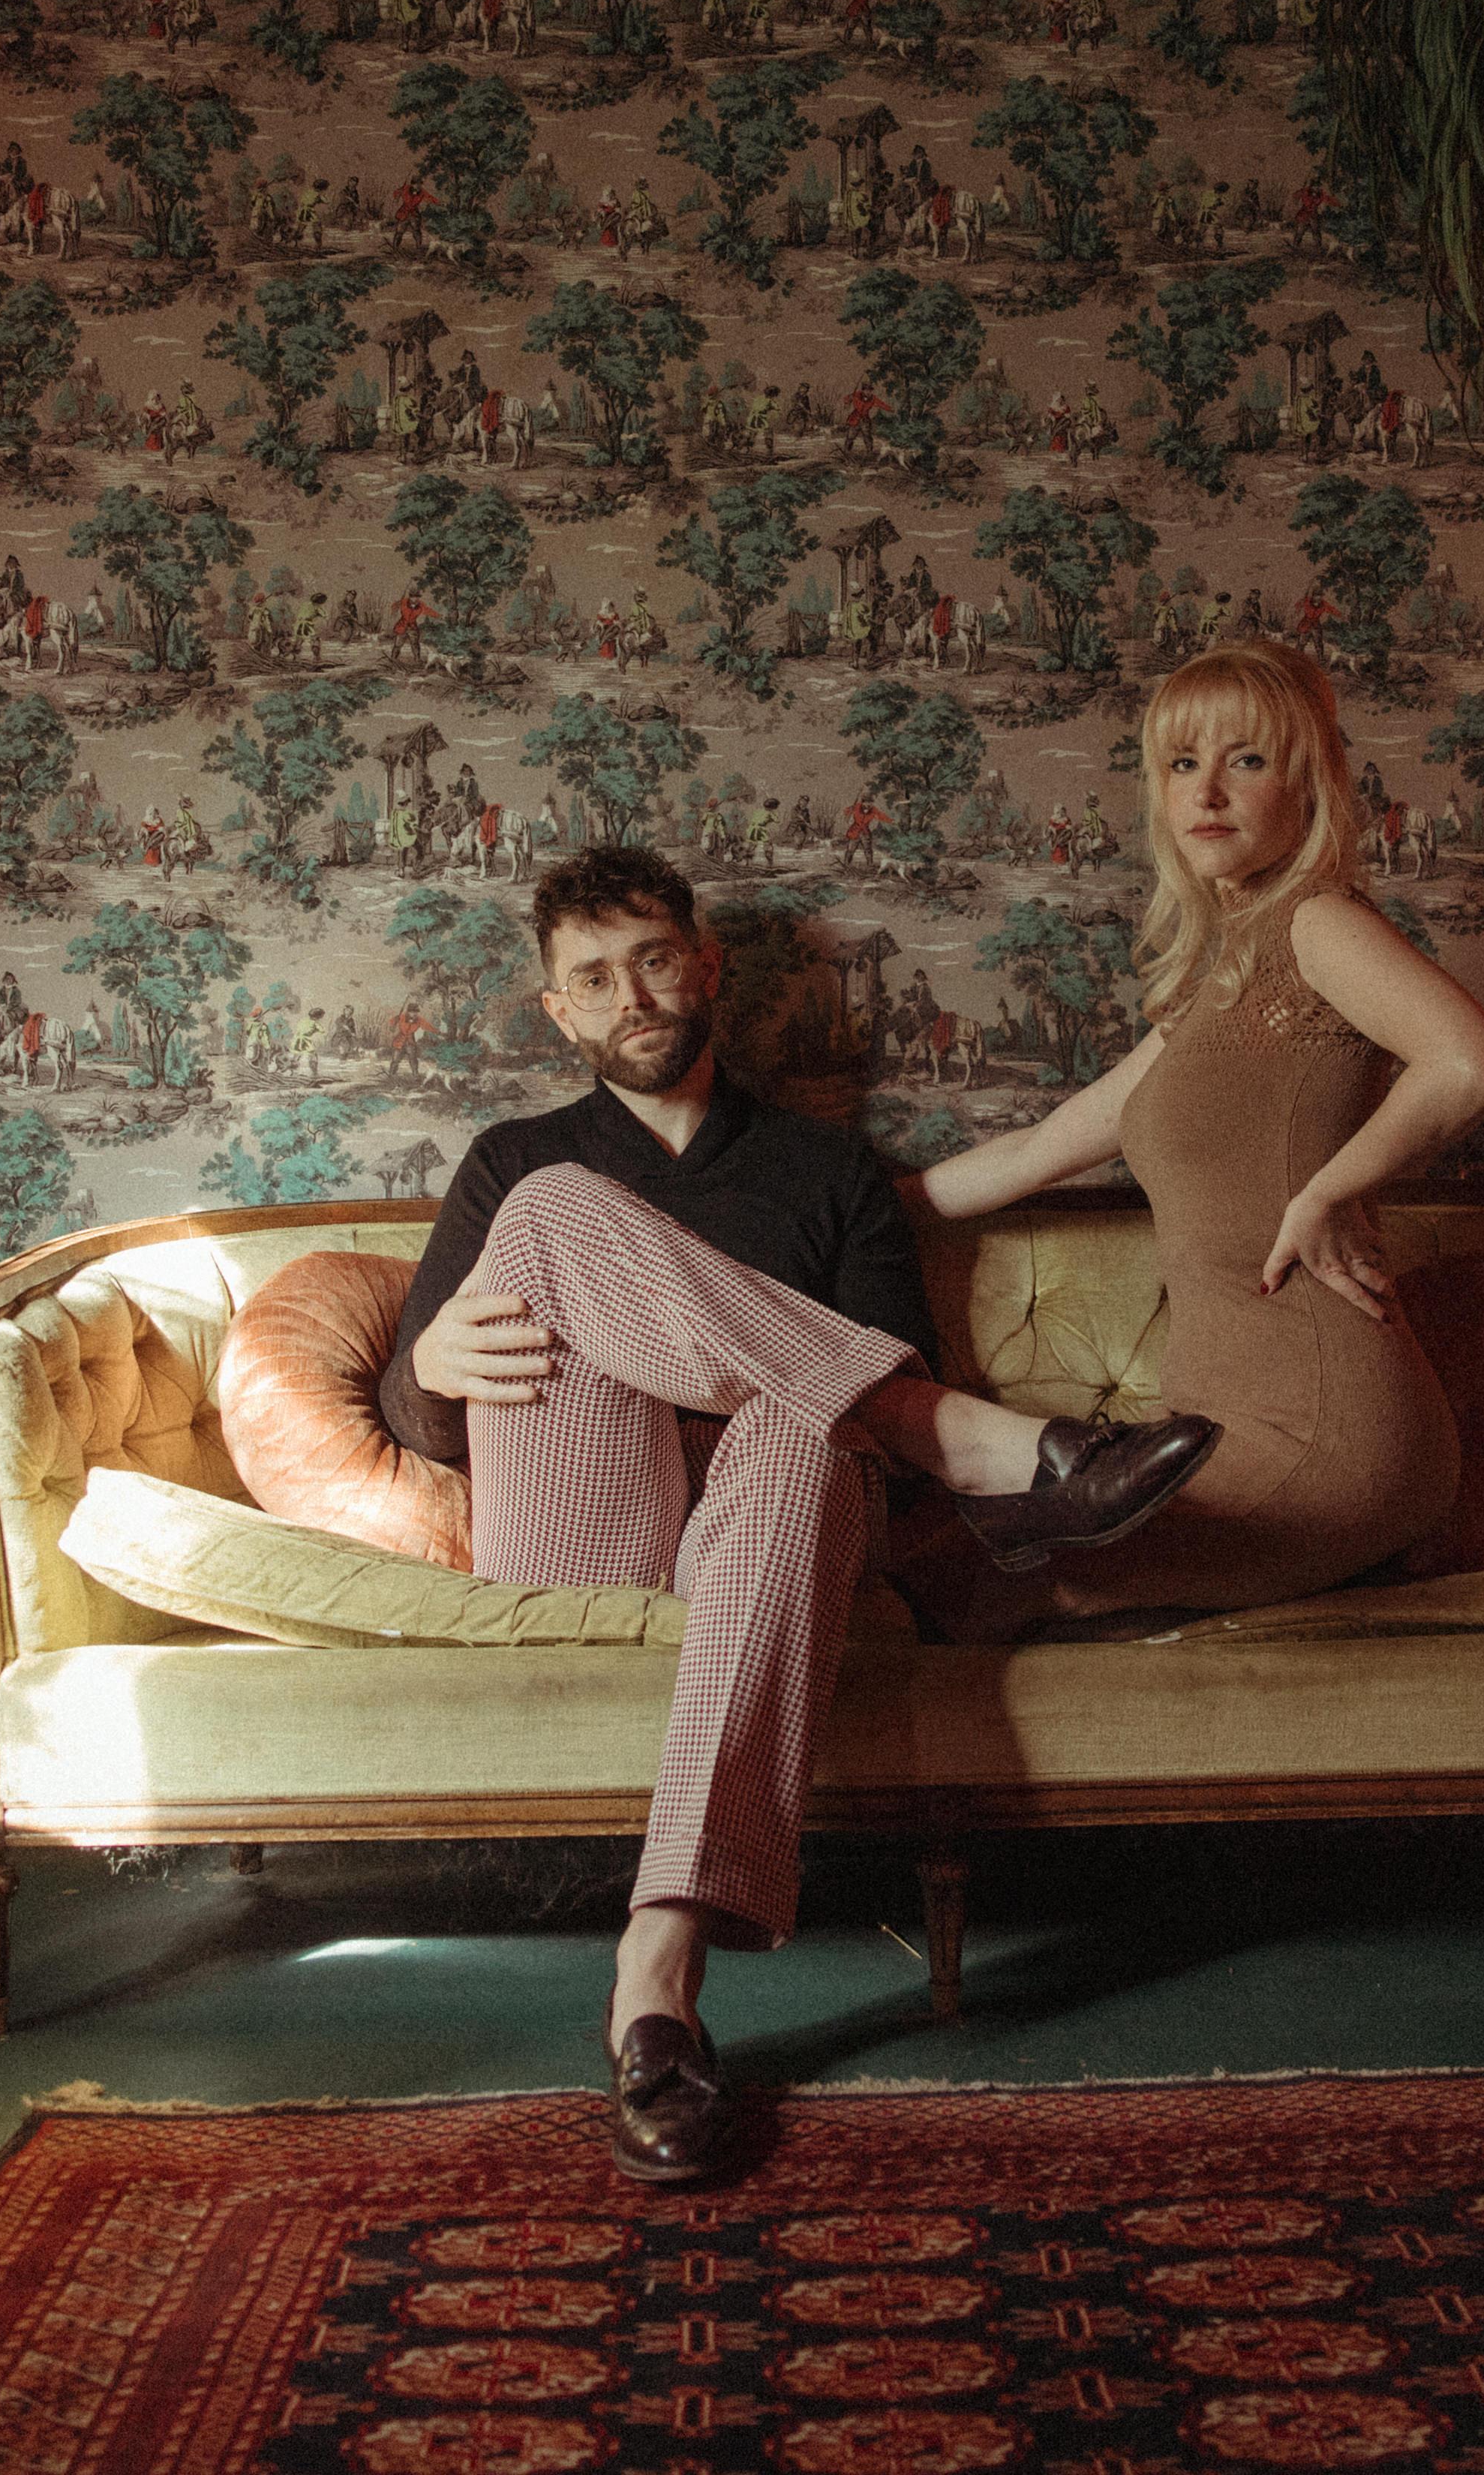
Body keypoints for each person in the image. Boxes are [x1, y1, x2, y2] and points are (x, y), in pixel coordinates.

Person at [377, 847, 1219, 2182]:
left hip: (771, 1523)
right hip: (582, 1515)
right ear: (556, 1009)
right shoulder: (513, 1158)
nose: (630, 996)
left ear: (705, 966)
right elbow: (428, 1421)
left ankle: (657, 1980)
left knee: (804, 1434)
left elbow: (878, 1393)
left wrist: (781, 1395)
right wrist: (425, 1365)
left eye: (653, 959)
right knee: (552, 1212)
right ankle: (1000, 1456)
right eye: (592, 979)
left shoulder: (824, 1168)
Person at [893, 640, 1484, 1641]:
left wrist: (1325, 1192)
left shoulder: (1317, 924)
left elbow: (1472, 1064)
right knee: (928, 1560)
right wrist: (857, 1207)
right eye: (1183, 764)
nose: (1208, 792)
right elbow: (1035, 1149)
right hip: (1220, 1434)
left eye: (1247, 760)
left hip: (1325, 1433)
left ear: (1307, 784)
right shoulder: (1220, 979)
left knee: (963, 1584)